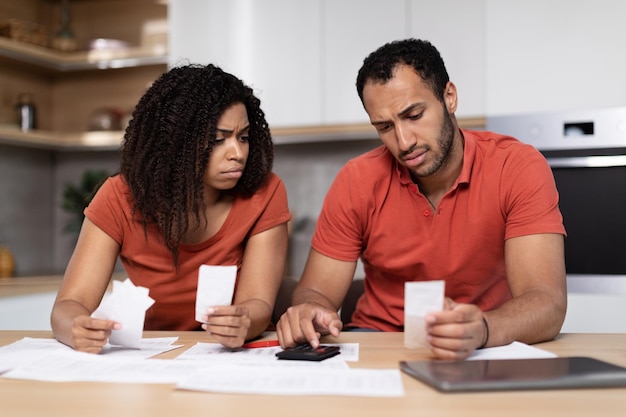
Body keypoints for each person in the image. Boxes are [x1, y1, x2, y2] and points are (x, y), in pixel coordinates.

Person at [276, 39, 567, 360]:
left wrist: (482, 328)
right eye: (385, 127)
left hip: (483, 344)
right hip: (377, 341)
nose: (403, 142)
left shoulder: (516, 166)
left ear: (449, 97)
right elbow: (316, 291)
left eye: (413, 115)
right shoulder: (356, 180)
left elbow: (545, 301)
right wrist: (309, 309)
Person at [51, 64, 291, 353]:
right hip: (152, 355)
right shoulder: (118, 197)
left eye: (243, 137)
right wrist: (77, 326)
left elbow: (258, 304)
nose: (238, 153)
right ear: (176, 143)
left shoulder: (265, 192)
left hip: (228, 356)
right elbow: (68, 306)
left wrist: (244, 321)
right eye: (218, 139)